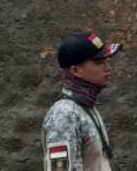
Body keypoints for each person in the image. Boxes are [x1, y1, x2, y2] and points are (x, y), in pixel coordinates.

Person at [42, 32, 123, 171]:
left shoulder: (85, 108)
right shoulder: (64, 115)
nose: (107, 68)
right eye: (99, 62)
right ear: (76, 70)